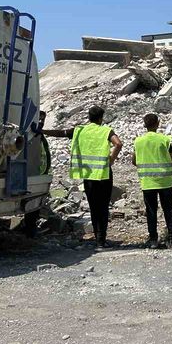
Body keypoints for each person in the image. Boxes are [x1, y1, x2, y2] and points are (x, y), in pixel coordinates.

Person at [44, 105, 122, 248]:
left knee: (94, 207)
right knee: (103, 207)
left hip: (88, 176)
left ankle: (97, 239)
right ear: (100, 118)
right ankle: (102, 239)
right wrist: (111, 159)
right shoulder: (106, 131)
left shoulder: (79, 131)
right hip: (104, 175)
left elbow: (61, 133)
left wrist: (42, 131)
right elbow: (118, 143)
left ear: (89, 117)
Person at [132, 113, 172, 249]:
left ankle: (153, 239)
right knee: (168, 209)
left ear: (145, 125)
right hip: (165, 181)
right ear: (158, 124)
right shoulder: (164, 139)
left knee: (151, 211)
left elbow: (134, 161)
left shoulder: (138, 141)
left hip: (148, 182)